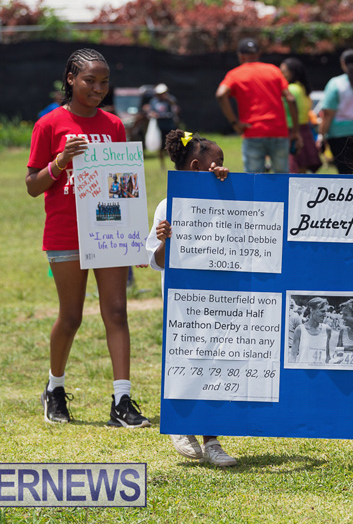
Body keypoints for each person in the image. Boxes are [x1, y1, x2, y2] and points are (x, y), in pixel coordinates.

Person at [25, 48, 150, 428]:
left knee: (117, 312)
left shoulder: (113, 125)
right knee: (71, 316)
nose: (98, 88)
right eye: (90, 81)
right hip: (65, 232)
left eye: (104, 82)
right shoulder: (49, 124)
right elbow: (32, 186)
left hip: (107, 230)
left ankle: (122, 400)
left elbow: (123, 185)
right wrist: (61, 161)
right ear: (71, 79)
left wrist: (131, 235)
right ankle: (55, 388)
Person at [146, 129, 237, 467]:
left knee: (216, 366)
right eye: (218, 162)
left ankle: (212, 439)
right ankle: (181, 424)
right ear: (198, 167)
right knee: (186, 363)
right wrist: (165, 240)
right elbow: (157, 261)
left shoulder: (226, 200)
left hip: (219, 302)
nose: (223, 167)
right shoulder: (167, 206)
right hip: (184, 307)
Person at [216, 38, 301, 174]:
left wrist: (234, 123)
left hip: (252, 131)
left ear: (241, 56)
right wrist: (296, 131)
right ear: (258, 54)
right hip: (278, 131)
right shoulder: (274, 70)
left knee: (253, 178)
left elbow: (221, 95)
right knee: (282, 177)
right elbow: (290, 98)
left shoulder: (235, 74)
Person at [280, 57, 322, 173]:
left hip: (292, 131)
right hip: (305, 129)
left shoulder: (290, 89)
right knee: (302, 170)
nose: (281, 75)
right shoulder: (304, 88)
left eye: (284, 71)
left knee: (292, 169)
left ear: (293, 72)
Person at [145, 83, 180, 169]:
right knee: (161, 146)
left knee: (174, 145)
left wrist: (168, 100)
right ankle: (162, 165)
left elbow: (176, 109)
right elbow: (150, 111)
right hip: (159, 127)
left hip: (170, 126)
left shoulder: (170, 100)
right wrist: (153, 114)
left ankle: (177, 163)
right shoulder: (154, 101)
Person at [290, 297, 333, 365]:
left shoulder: (327, 330)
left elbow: (327, 357)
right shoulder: (300, 330)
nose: (325, 315)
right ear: (312, 310)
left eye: (325, 311)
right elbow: (293, 356)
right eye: (322, 311)